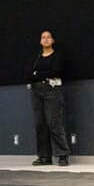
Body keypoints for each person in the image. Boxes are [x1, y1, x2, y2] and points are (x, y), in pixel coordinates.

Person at [28, 30, 70, 167]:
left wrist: (38, 74)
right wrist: (42, 75)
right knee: (40, 124)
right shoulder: (37, 57)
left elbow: (56, 72)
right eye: (43, 37)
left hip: (52, 90)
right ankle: (44, 157)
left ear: (52, 41)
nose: (45, 39)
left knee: (54, 123)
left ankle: (62, 155)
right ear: (40, 41)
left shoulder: (58, 56)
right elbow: (29, 75)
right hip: (36, 92)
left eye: (48, 37)